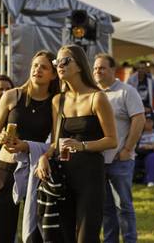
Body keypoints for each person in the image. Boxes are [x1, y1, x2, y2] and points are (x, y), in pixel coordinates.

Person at [35, 45, 117, 242]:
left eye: (65, 61)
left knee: (86, 237)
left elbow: (112, 140)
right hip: (64, 177)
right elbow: (55, 142)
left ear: (79, 66)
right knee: (66, 235)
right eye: (57, 63)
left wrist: (83, 146)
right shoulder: (58, 101)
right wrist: (44, 157)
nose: (59, 66)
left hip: (90, 177)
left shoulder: (97, 98)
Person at [0, 51, 57, 243]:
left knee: (35, 229)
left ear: (53, 74)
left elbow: (56, 142)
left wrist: (27, 146)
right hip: (5, 167)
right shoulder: (12, 96)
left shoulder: (56, 102)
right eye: (35, 65)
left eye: (44, 67)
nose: (37, 70)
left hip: (36, 169)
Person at [93, 54, 145, 243]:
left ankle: (130, 240)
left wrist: (127, 149)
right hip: (99, 161)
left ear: (113, 70)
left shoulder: (126, 91)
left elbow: (139, 119)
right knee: (106, 208)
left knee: (123, 206)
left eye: (102, 68)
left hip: (119, 161)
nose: (97, 71)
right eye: (95, 68)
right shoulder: (93, 93)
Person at [135, 108, 154, 187]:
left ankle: (151, 181)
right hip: (140, 154)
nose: (148, 123)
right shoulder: (139, 133)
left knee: (151, 158)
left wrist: (150, 147)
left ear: (153, 122)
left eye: (150, 121)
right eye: (146, 121)